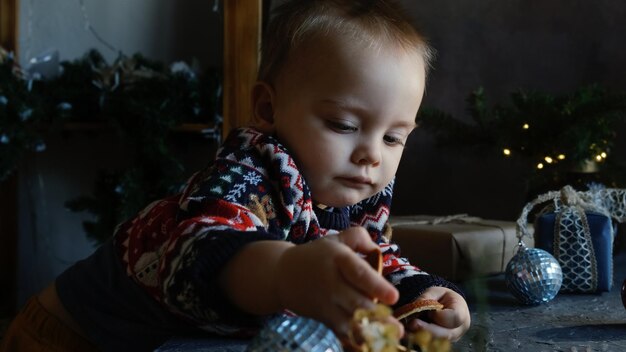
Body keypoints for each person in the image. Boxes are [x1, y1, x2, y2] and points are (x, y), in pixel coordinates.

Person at [1, 0, 471, 351]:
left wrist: (423, 295)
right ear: (268, 107)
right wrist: (286, 272)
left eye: (394, 138)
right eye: (343, 126)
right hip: (71, 336)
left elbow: (376, 257)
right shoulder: (247, 173)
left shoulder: (353, 193)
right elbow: (201, 256)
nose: (371, 156)